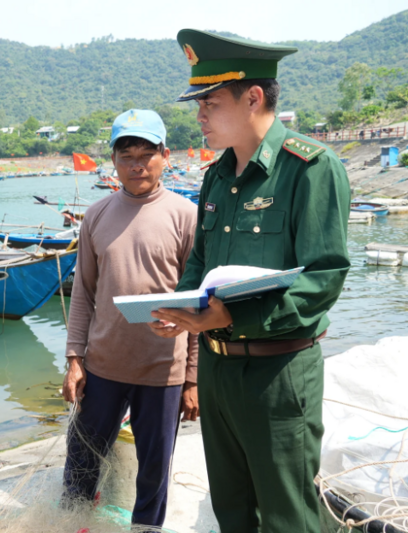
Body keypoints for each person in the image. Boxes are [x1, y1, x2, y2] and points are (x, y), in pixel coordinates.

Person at [149, 30, 351, 532]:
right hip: (217, 370)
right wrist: (186, 308)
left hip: (277, 373)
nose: (199, 116)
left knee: (288, 515)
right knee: (232, 510)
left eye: (210, 103)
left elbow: (325, 277)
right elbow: (200, 261)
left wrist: (232, 314)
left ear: (253, 97)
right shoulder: (216, 177)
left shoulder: (310, 169)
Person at [61, 109, 199, 528]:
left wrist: (193, 378)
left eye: (146, 155)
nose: (137, 165)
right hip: (103, 365)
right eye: (127, 156)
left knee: (154, 470)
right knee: (82, 458)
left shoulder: (186, 215)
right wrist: (74, 360)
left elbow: (197, 303)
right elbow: (83, 294)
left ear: (165, 156)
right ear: (114, 162)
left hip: (163, 370)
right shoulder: (96, 215)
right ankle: (72, 523)